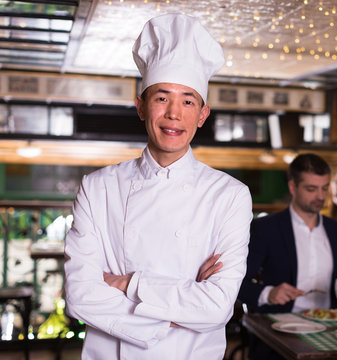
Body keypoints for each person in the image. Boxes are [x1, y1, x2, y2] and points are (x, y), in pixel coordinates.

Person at [63, 14, 253, 360]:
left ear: (203, 115)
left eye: (188, 101)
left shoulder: (230, 196)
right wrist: (175, 315)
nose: (174, 114)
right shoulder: (98, 188)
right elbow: (79, 296)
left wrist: (128, 284)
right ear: (140, 106)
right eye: (162, 98)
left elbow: (217, 307)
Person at [238, 153, 337, 360]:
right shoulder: (266, 229)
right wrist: (269, 293)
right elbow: (236, 282)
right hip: (281, 330)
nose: (320, 196)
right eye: (311, 189)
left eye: (324, 188)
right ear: (293, 187)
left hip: (330, 330)